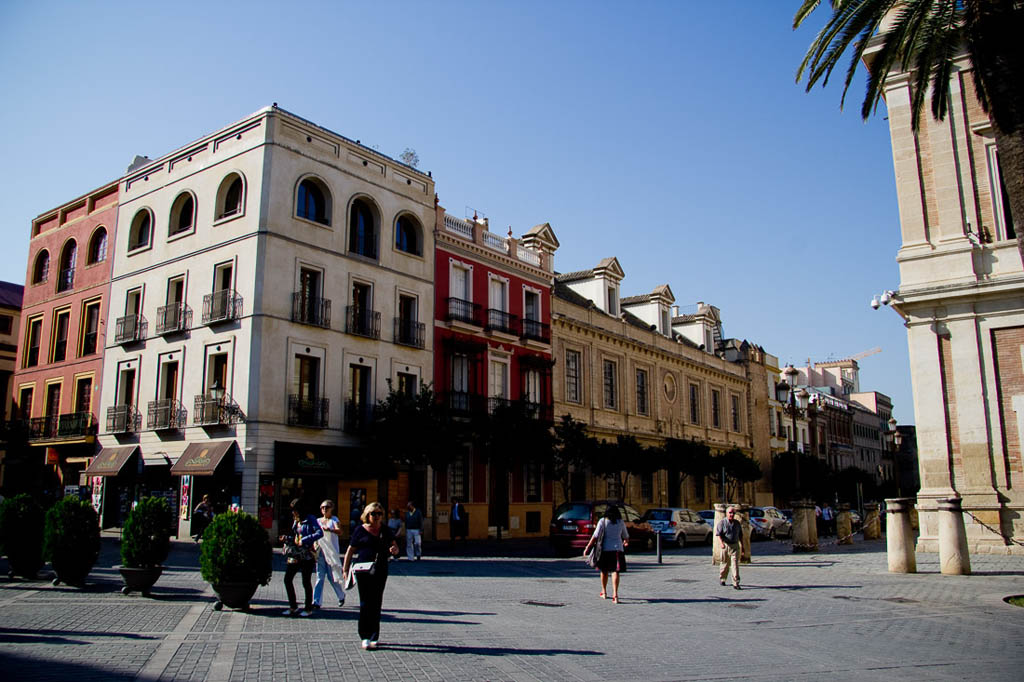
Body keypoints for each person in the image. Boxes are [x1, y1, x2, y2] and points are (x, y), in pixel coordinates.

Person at [343, 501, 400, 650]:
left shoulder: (385, 530)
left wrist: (394, 549)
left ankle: (374, 636)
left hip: (380, 569)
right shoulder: (360, 530)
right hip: (363, 570)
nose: (376, 516)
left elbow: (395, 547)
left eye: (379, 514)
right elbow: (350, 550)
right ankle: (365, 636)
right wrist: (345, 569)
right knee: (365, 602)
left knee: (376, 602)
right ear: (367, 515)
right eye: (373, 513)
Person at [279, 498, 322, 617]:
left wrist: (305, 539)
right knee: (287, 579)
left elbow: (320, 533)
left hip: (307, 554)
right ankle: (293, 606)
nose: (293, 513)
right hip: (295, 553)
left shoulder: (311, 519)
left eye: (295, 510)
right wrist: (287, 538)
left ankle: (308, 608)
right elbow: (295, 536)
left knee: (306, 581)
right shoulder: (296, 520)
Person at [582, 505, 630, 604]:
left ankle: (604, 592)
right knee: (615, 571)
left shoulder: (602, 521)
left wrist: (587, 547)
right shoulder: (620, 522)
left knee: (604, 571)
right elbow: (626, 536)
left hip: (605, 549)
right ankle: (615, 595)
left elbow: (595, 536)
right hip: (617, 549)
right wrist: (625, 542)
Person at [312, 499, 346, 610]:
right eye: (322, 507)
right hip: (320, 551)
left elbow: (339, 531)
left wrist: (330, 529)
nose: (324, 509)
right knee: (319, 576)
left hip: (331, 552)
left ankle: (341, 595)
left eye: (327, 507)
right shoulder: (317, 521)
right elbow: (314, 535)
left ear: (332, 508)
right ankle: (316, 601)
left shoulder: (334, 520)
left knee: (332, 577)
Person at [716, 506, 742, 590]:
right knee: (724, 564)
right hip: (726, 545)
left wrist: (743, 547)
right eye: (730, 513)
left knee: (735, 565)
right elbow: (719, 535)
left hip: (735, 545)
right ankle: (722, 578)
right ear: (726, 514)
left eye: (733, 513)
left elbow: (740, 535)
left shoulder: (737, 523)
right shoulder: (722, 523)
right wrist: (722, 544)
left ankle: (736, 582)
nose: (732, 514)